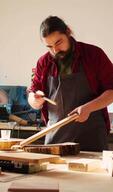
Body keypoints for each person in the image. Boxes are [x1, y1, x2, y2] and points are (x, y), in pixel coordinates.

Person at [28, 16, 113, 151]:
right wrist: (35, 100)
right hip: (56, 137)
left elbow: (111, 91)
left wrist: (88, 108)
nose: (55, 50)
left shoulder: (93, 54)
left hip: (91, 136)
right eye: (49, 46)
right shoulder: (43, 62)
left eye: (58, 42)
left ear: (68, 32)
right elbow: (33, 95)